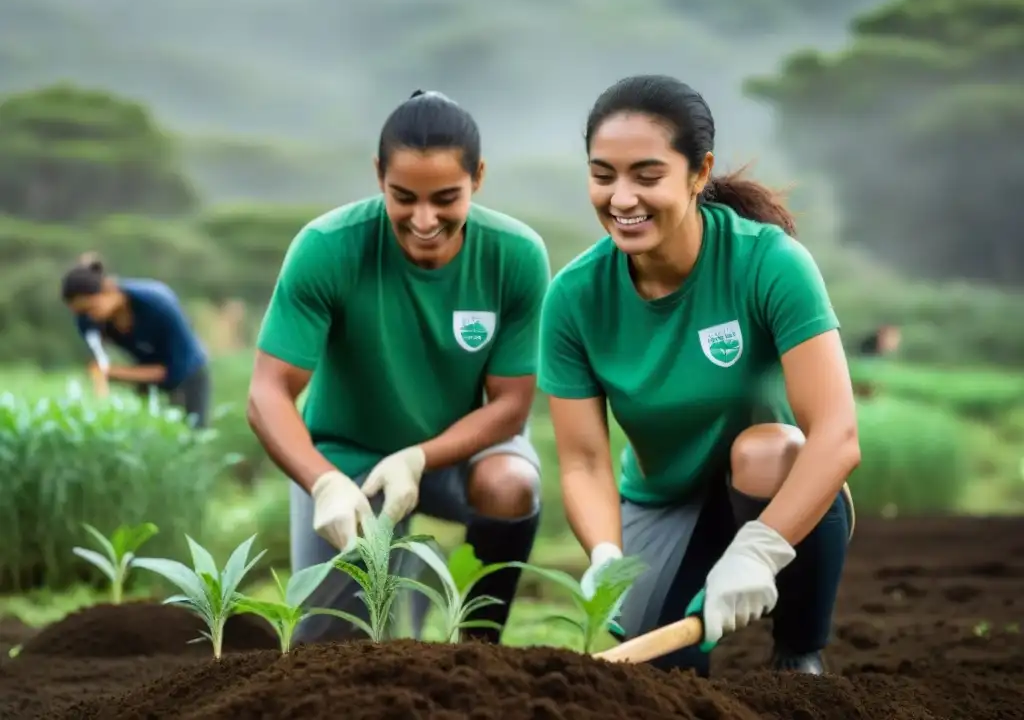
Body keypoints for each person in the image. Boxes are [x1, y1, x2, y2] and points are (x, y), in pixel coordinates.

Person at [537, 74, 859, 677]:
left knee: (770, 450)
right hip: (662, 499)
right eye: (603, 175)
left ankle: (799, 655)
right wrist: (606, 555)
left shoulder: (768, 262)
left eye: (647, 176)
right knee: (656, 681)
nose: (622, 198)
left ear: (699, 171)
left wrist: (759, 551)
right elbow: (583, 461)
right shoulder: (574, 297)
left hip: (769, 486)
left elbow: (836, 436)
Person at [247, 90, 549, 645]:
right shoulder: (327, 248)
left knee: (510, 483)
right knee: (330, 651)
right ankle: (389, 597)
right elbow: (268, 392)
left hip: (460, 453)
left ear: (478, 177)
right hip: (349, 459)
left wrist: (419, 457)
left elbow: (511, 404)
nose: (425, 219)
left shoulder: (515, 255)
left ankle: (479, 651)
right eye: (403, 197)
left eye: (446, 198)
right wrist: (325, 483)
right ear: (378, 175)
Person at [60, 253, 211, 428]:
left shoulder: (159, 303)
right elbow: (98, 364)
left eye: (90, 308)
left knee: (190, 433)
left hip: (187, 373)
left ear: (109, 289)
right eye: (80, 312)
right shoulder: (87, 320)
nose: (88, 317)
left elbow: (171, 372)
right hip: (145, 376)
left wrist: (112, 372)